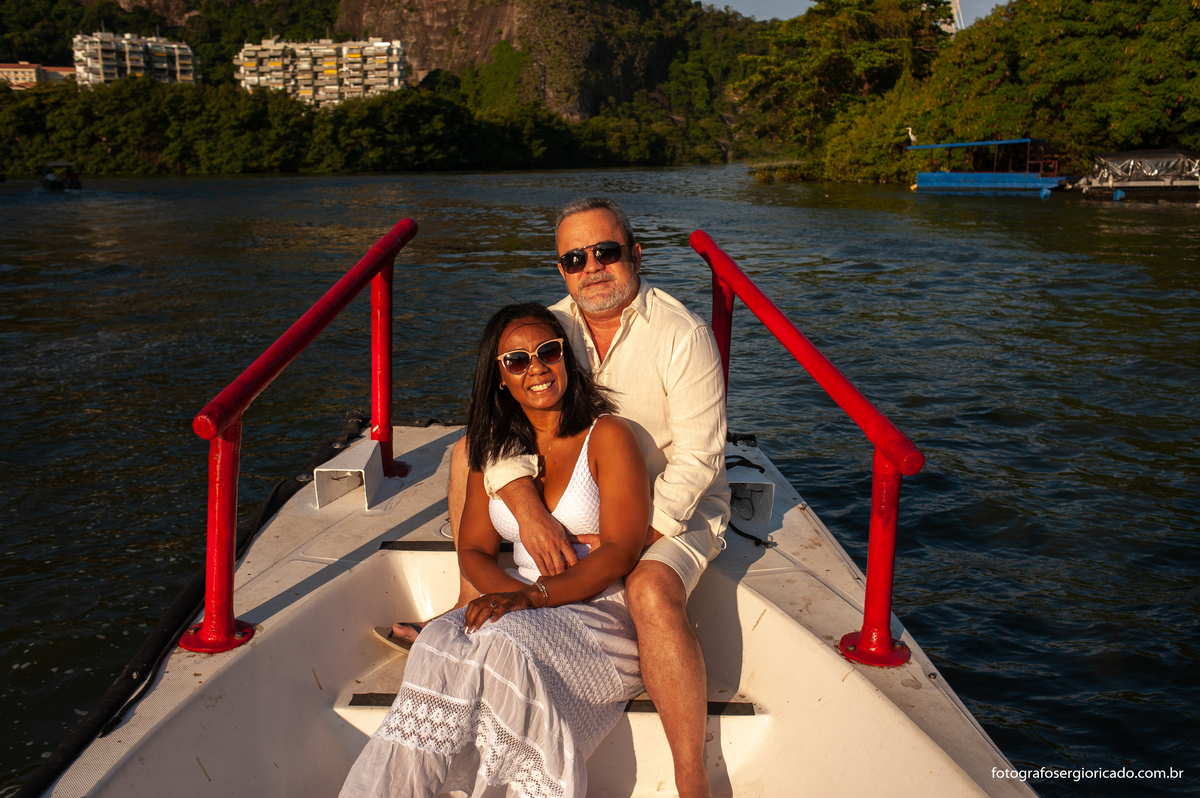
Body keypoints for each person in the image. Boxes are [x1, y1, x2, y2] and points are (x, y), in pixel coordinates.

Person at [437, 198, 730, 798]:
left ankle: (691, 775)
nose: (592, 267)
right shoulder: (549, 330)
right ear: (562, 269)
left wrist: (628, 540)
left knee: (648, 586)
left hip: (676, 507)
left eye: (606, 252)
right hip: (583, 496)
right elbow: (502, 424)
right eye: (575, 258)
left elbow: (700, 459)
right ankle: (467, 602)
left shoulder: (683, 334)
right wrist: (526, 508)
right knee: (465, 452)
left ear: (635, 254)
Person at [341, 303, 652, 798]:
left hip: (599, 614)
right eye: (517, 361)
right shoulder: (496, 449)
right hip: (521, 600)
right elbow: (473, 551)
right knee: (440, 639)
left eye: (548, 352)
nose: (537, 368)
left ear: (567, 359)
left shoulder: (608, 436)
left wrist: (530, 601)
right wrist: (514, 596)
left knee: (505, 643)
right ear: (500, 378)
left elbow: (620, 551)